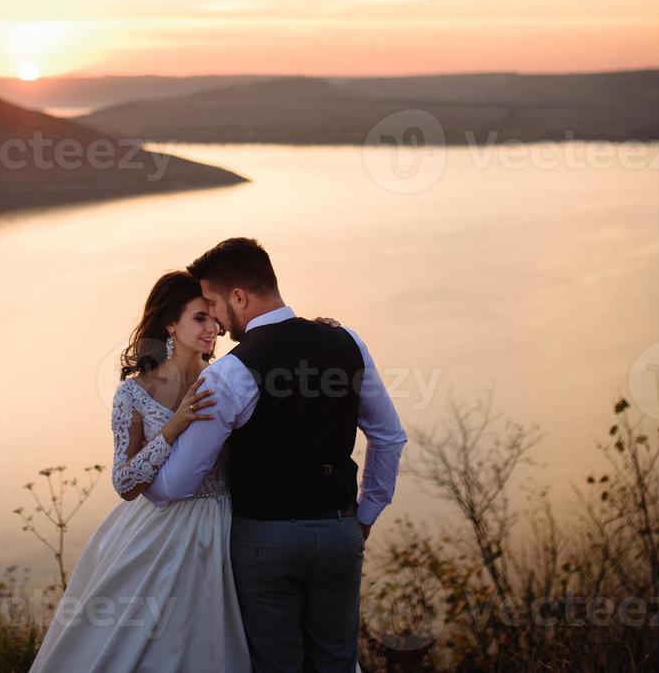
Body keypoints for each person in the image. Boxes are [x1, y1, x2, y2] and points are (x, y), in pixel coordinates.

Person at [144, 238, 408, 673]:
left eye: (214, 304)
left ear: (240, 297)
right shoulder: (347, 341)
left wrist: (140, 466)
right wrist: (364, 515)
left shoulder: (229, 374)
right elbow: (389, 438)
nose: (218, 323)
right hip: (340, 532)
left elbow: (177, 484)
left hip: (266, 542)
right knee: (338, 664)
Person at [29, 270, 252, 672]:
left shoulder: (227, 380)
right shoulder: (134, 391)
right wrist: (173, 425)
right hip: (159, 532)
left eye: (214, 318)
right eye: (199, 318)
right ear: (171, 322)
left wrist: (316, 331)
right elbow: (125, 482)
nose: (213, 328)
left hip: (228, 524)